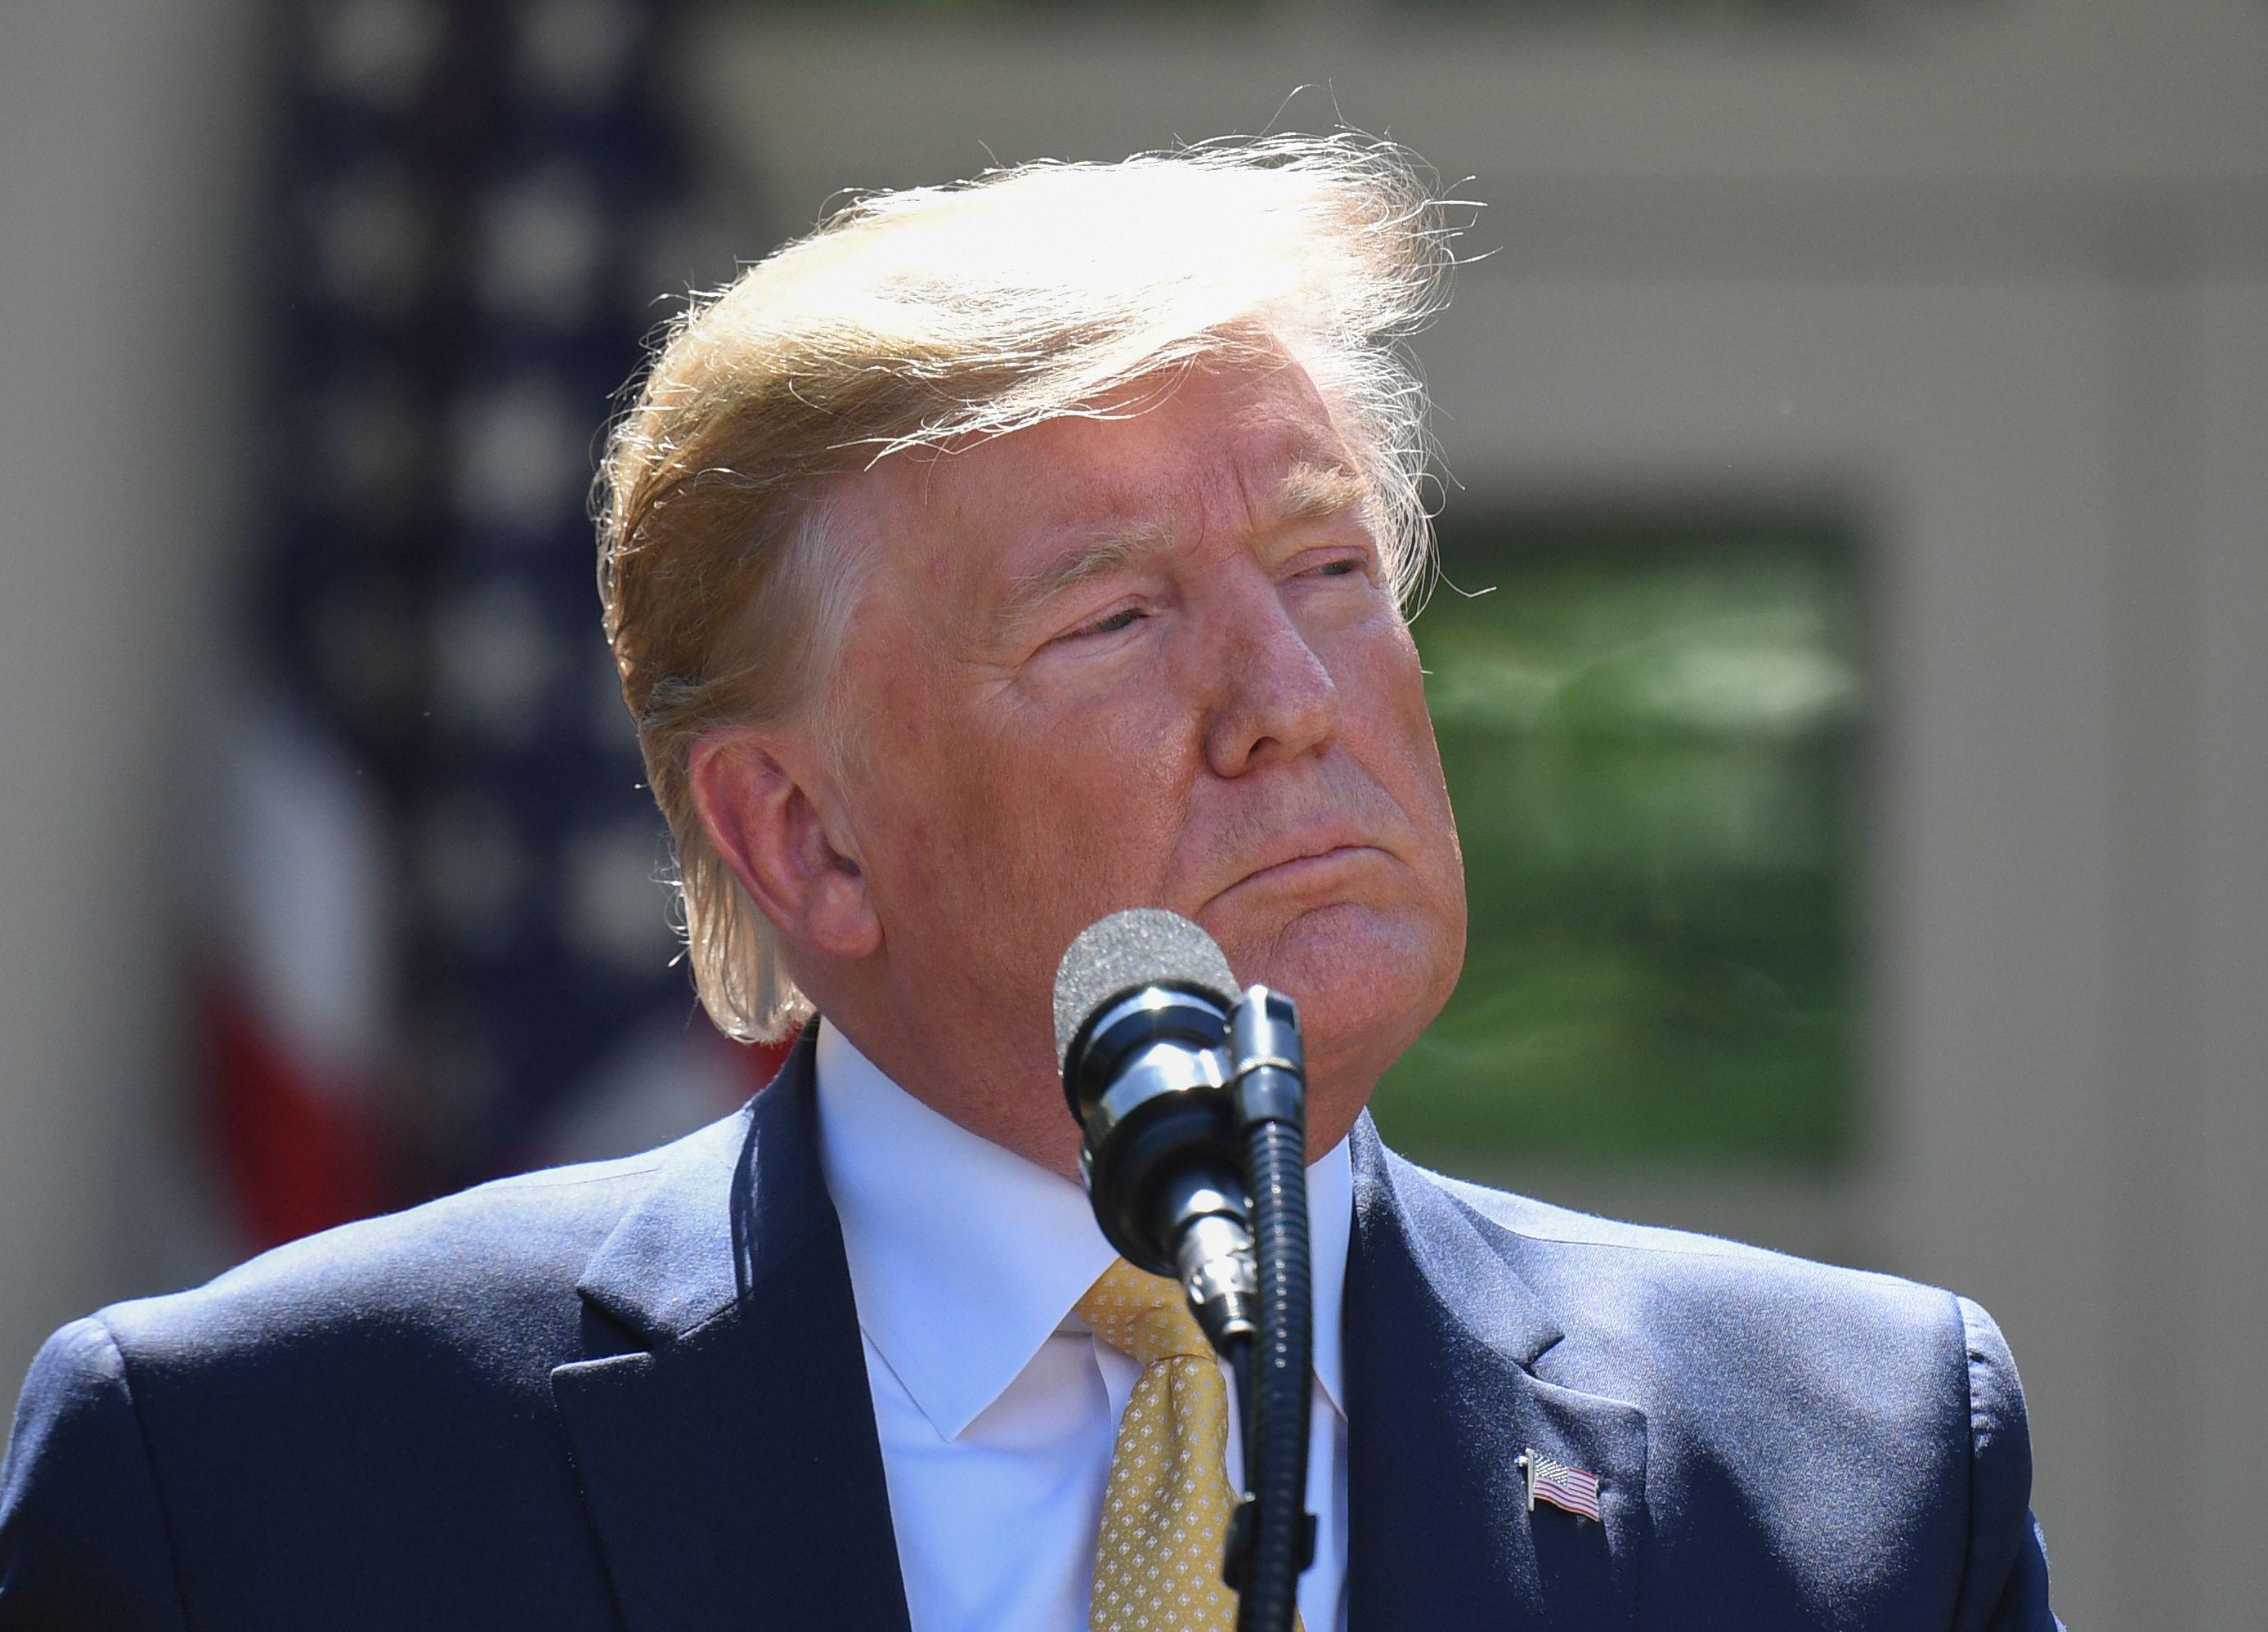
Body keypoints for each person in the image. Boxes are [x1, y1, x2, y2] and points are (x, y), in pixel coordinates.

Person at [0, 137, 2059, 1630]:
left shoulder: (1855, 1464)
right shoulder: (260, 1478)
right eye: (1115, 620)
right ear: (800, 833)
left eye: (1331, 568)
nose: (1288, 696)